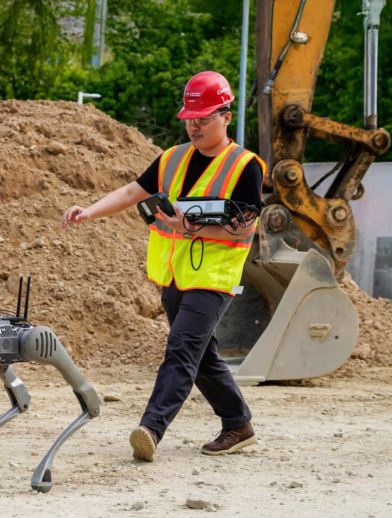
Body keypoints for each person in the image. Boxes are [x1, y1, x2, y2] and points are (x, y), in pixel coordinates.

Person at [61, 71, 266, 462]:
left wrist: (186, 226)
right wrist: (87, 213)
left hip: (213, 278)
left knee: (181, 349)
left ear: (226, 115)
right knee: (201, 355)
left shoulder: (245, 167)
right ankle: (238, 425)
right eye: (189, 118)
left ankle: (151, 428)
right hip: (174, 277)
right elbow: (130, 192)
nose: (194, 125)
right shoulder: (172, 158)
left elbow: (243, 229)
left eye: (203, 118)